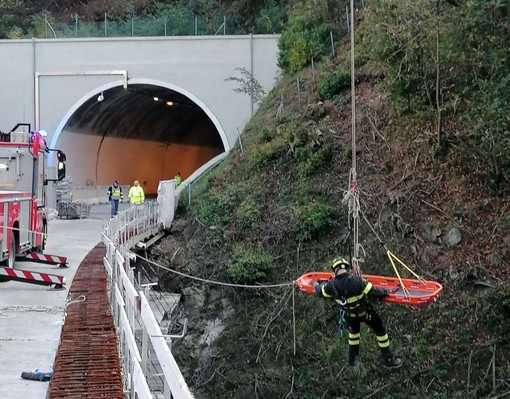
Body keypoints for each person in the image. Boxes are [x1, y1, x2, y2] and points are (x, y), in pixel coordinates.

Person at [314, 257, 402, 369]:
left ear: (335, 270)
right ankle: (388, 359)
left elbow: (319, 291)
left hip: (350, 316)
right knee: (380, 329)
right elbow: (374, 291)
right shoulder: (357, 280)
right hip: (364, 313)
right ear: (347, 268)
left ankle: (352, 361)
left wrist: (316, 284)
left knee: (354, 334)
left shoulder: (331, 286)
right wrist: (386, 291)